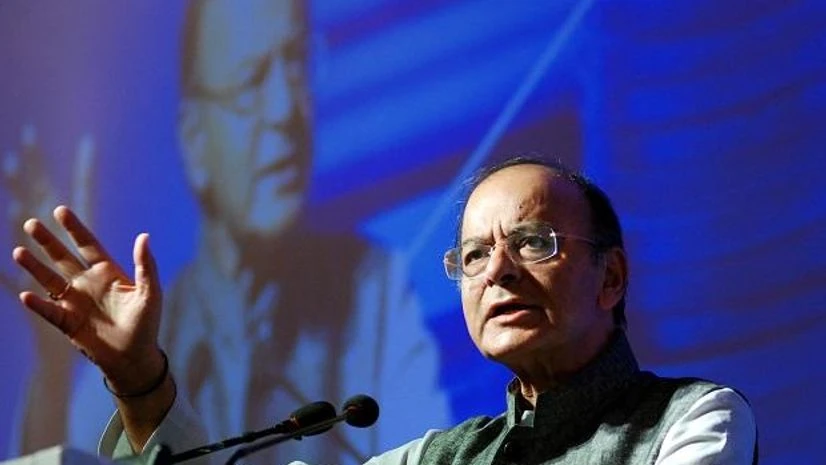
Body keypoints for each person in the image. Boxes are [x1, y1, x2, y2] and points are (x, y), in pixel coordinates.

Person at [12, 157, 758, 464]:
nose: (495, 269)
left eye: (532, 241)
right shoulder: (439, 455)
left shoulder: (693, 419)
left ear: (611, 276)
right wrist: (139, 374)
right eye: (471, 255)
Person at [57, 0, 448, 464]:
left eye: (298, 65)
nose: (286, 110)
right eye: (250, 82)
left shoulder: (376, 290)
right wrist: (56, 361)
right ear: (195, 141)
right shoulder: (138, 329)